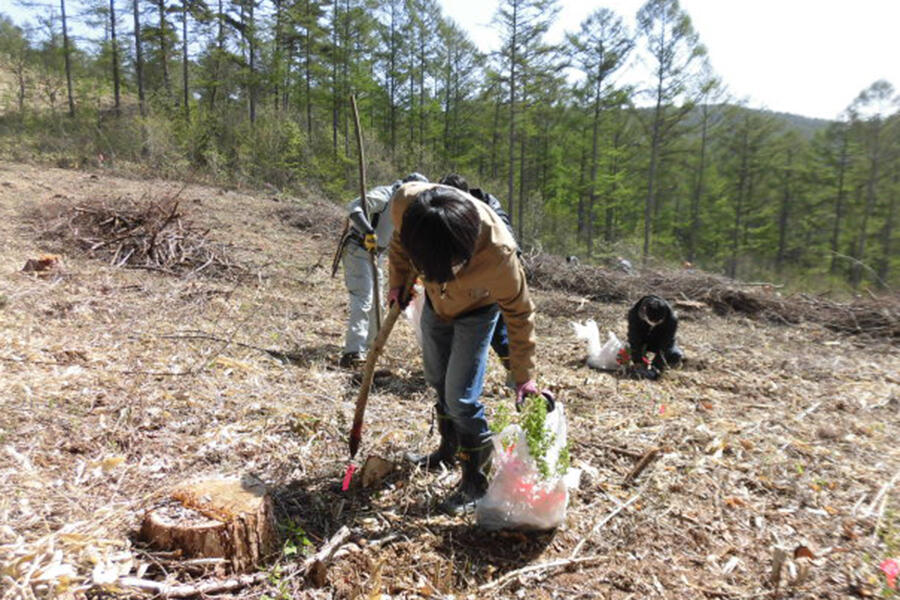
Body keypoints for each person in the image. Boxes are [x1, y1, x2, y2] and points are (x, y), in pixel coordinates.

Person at [388, 181, 548, 515]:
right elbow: (399, 247)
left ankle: (476, 481)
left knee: (461, 396)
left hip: (477, 310)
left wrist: (523, 377)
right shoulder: (407, 204)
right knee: (436, 376)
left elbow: (519, 314)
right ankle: (448, 448)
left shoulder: (498, 254)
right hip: (434, 303)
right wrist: (398, 284)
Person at [339, 172, 428, 368]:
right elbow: (354, 208)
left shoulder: (407, 208)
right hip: (359, 249)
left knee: (377, 303)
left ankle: (371, 347)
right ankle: (353, 351)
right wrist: (368, 231)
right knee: (364, 299)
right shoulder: (386, 195)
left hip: (376, 255)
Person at [437, 173, 515, 378]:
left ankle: (516, 374)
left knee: (497, 333)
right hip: (461, 279)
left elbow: (505, 237)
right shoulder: (443, 208)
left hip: (492, 273)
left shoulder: (487, 207)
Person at [625, 295, 683, 380]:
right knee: (626, 350)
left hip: (658, 343)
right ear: (644, 312)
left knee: (676, 355)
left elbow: (667, 343)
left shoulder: (671, 319)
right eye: (652, 321)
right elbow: (633, 337)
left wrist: (656, 366)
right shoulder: (634, 313)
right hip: (642, 342)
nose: (654, 324)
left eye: (658, 322)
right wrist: (638, 360)